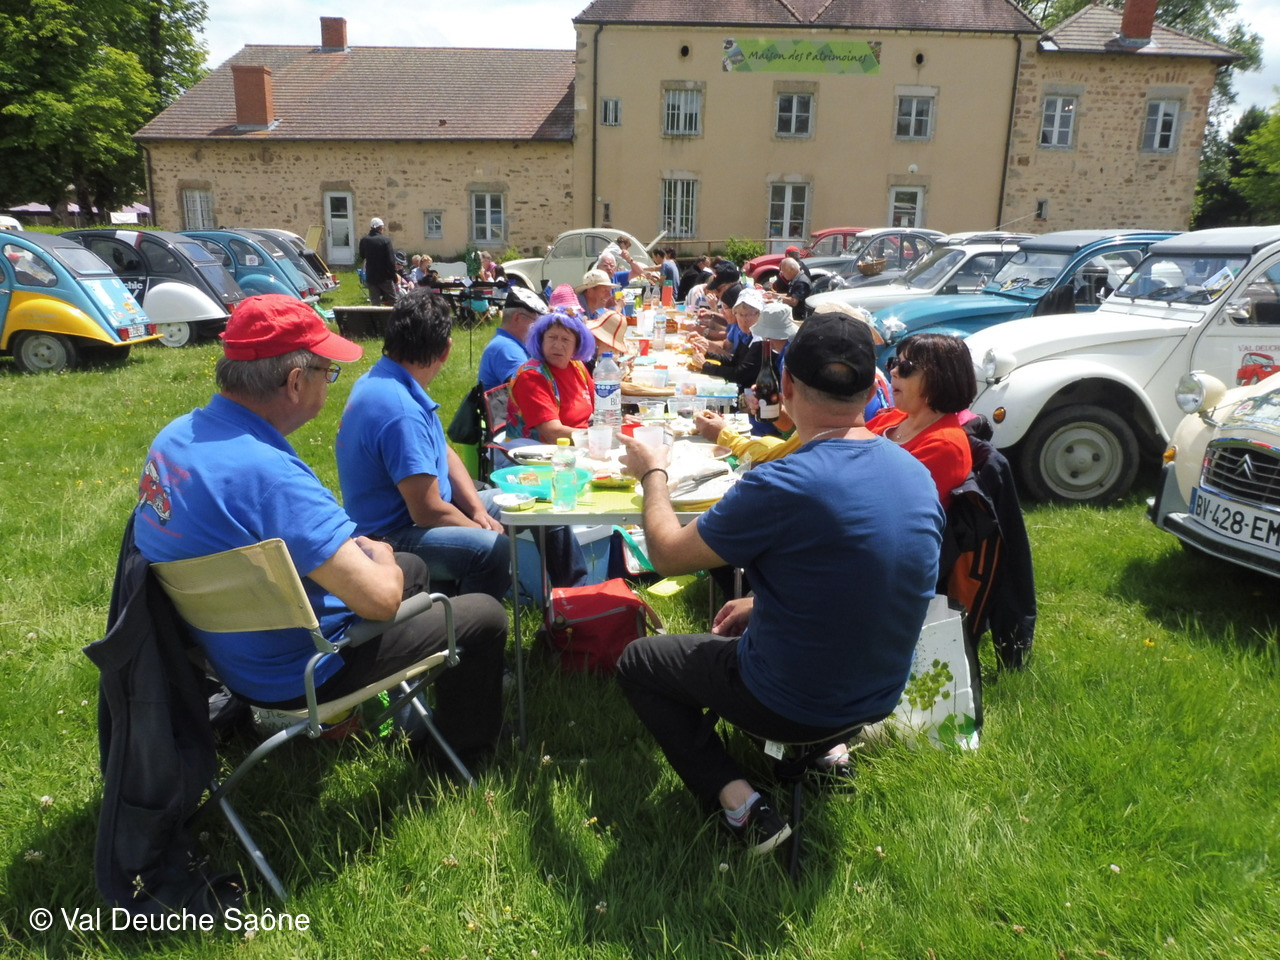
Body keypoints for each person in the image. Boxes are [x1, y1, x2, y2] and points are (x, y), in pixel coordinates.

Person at [614, 314, 944, 853]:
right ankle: (826, 754)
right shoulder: (914, 471)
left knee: (639, 662)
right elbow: (858, 574)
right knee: (744, 636)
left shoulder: (782, 481)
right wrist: (759, 602)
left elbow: (667, 555)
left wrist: (653, 473)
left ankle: (741, 804)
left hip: (792, 702)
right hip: (881, 693)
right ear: (871, 391)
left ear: (786, 386)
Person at [132, 294, 506, 759]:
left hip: (223, 652)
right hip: (302, 672)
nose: (329, 384)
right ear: (295, 382)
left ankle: (404, 713)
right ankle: (453, 760)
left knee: (413, 567)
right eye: (327, 372)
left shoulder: (172, 440)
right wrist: (381, 555)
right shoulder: (271, 477)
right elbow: (380, 598)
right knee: (484, 614)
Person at [335, 290, 513, 599]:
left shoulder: (383, 379)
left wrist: (476, 509)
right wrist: (479, 528)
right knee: (493, 548)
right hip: (391, 536)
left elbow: (443, 450)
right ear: (446, 349)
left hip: (412, 519)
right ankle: (470, 620)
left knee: (517, 503)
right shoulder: (401, 410)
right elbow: (427, 511)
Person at [868, 333, 976, 510]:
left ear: (937, 378)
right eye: (894, 363)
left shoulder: (944, 446)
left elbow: (883, 501)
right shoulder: (895, 417)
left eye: (905, 367)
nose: (893, 371)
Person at [507, 309, 597, 441]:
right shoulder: (531, 377)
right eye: (552, 337)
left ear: (577, 346)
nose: (558, 346)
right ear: (541, 340)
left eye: (565, 340)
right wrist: (600, 436)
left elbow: (600, 406)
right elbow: (552, 433)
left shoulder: (577, 366)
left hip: (580, 442)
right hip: (540, 449)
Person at [478, 286, 547, 391]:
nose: (539, 328)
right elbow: (531, 390)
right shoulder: (506, 348)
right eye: (536, 321)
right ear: (517, 317)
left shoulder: (510, 343)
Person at [576, 268, 630, 360]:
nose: (609, 295)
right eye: (605, 290)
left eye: (609, 291)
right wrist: (618, 308)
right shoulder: (577, 314)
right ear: (590, 291)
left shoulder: (596, 310)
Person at [359, 217, 398, 306]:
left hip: (371, 276)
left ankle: (377, 315)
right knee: (393, 300)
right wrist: (393, 275)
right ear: (380, 228)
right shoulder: (386, 240)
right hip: (385, 276)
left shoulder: (364, 240)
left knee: (375, 302)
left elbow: (362, 255)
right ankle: (395, 315)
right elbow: (391, 261)